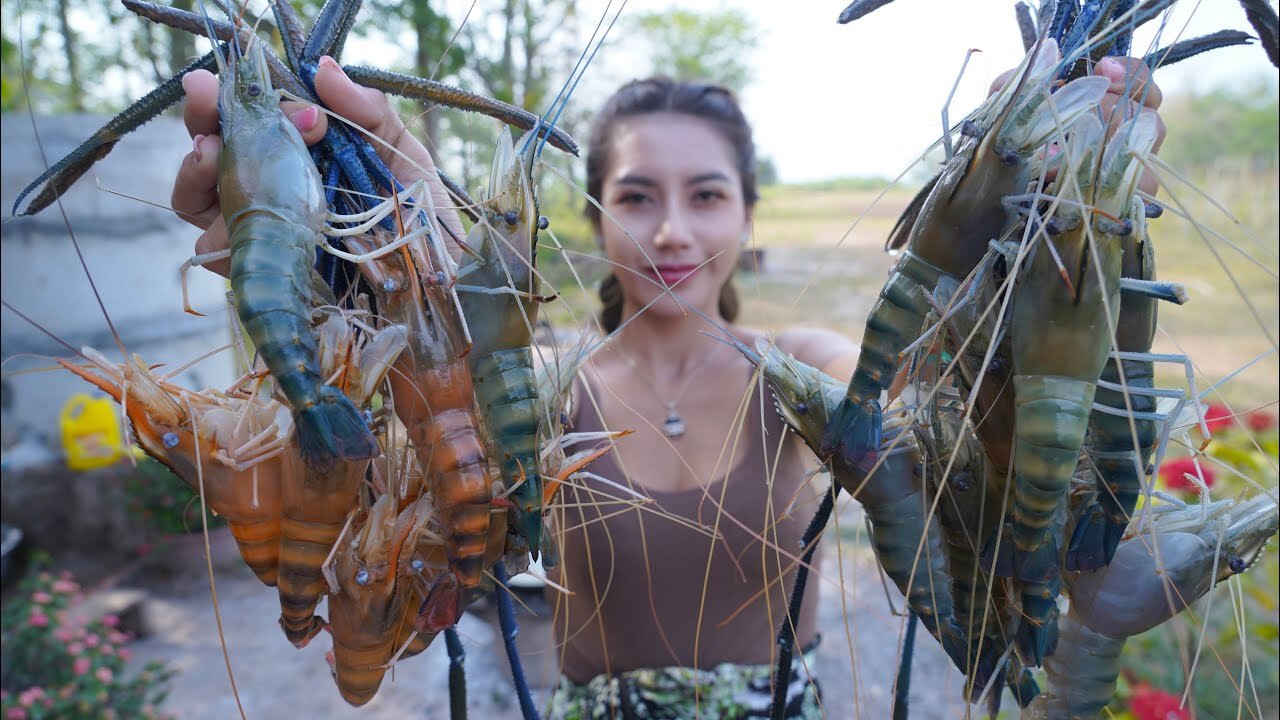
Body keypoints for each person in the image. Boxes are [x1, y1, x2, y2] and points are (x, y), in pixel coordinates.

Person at [173, 51, 1163, 720]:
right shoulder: (540, 386)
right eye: (636, 196)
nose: (672, 231)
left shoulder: (811, 366)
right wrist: (342, 243)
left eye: (705, 195)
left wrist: (1048, 242)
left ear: (745, 213)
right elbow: (434, 401)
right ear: (597, 216)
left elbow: (955, 418)